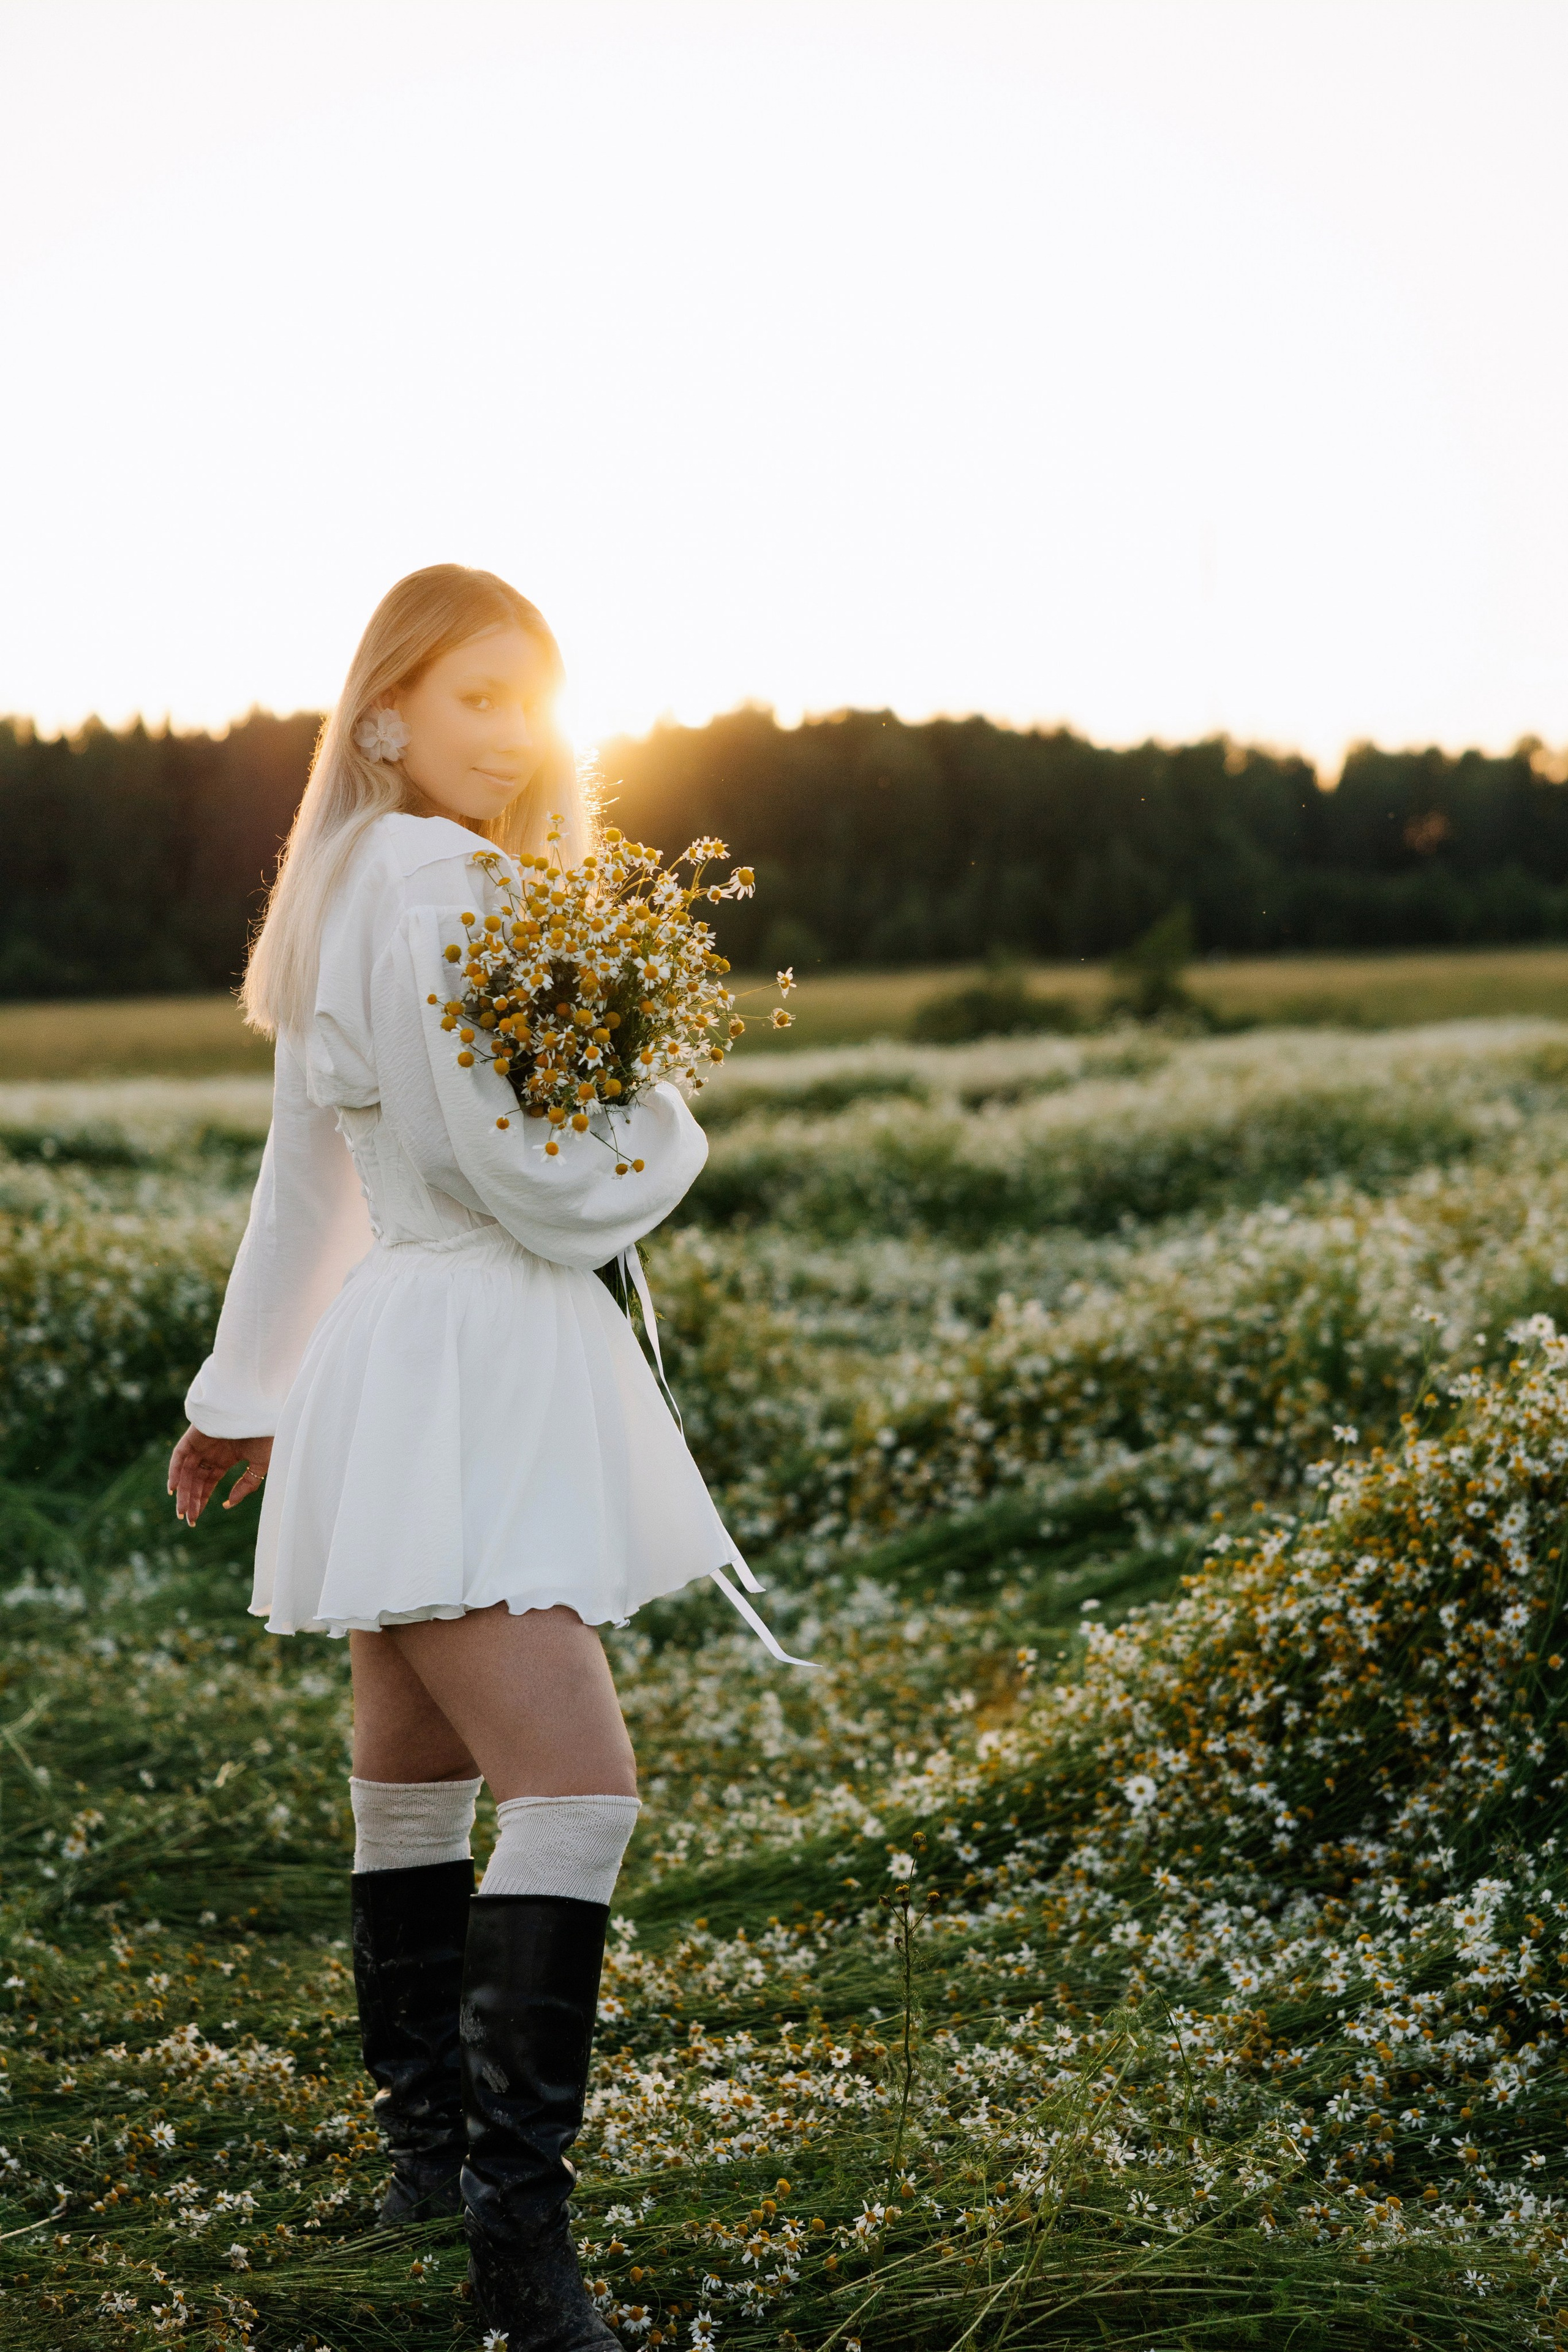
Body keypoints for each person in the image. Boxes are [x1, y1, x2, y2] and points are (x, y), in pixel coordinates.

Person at [166, 565, 791, 2351]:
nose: (520, 739)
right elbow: (526, 1174)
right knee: (581, 1793)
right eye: (480, 701)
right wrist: (661, 1132)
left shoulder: (345, 881)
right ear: (384, 716)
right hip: (473, 1349)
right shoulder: (453, 888)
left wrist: (246, 1389)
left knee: (415, 1775)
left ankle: (428, 2172)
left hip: (395, 1350)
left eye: (539, 700)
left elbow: (312, 1185)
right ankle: (523, 2262)